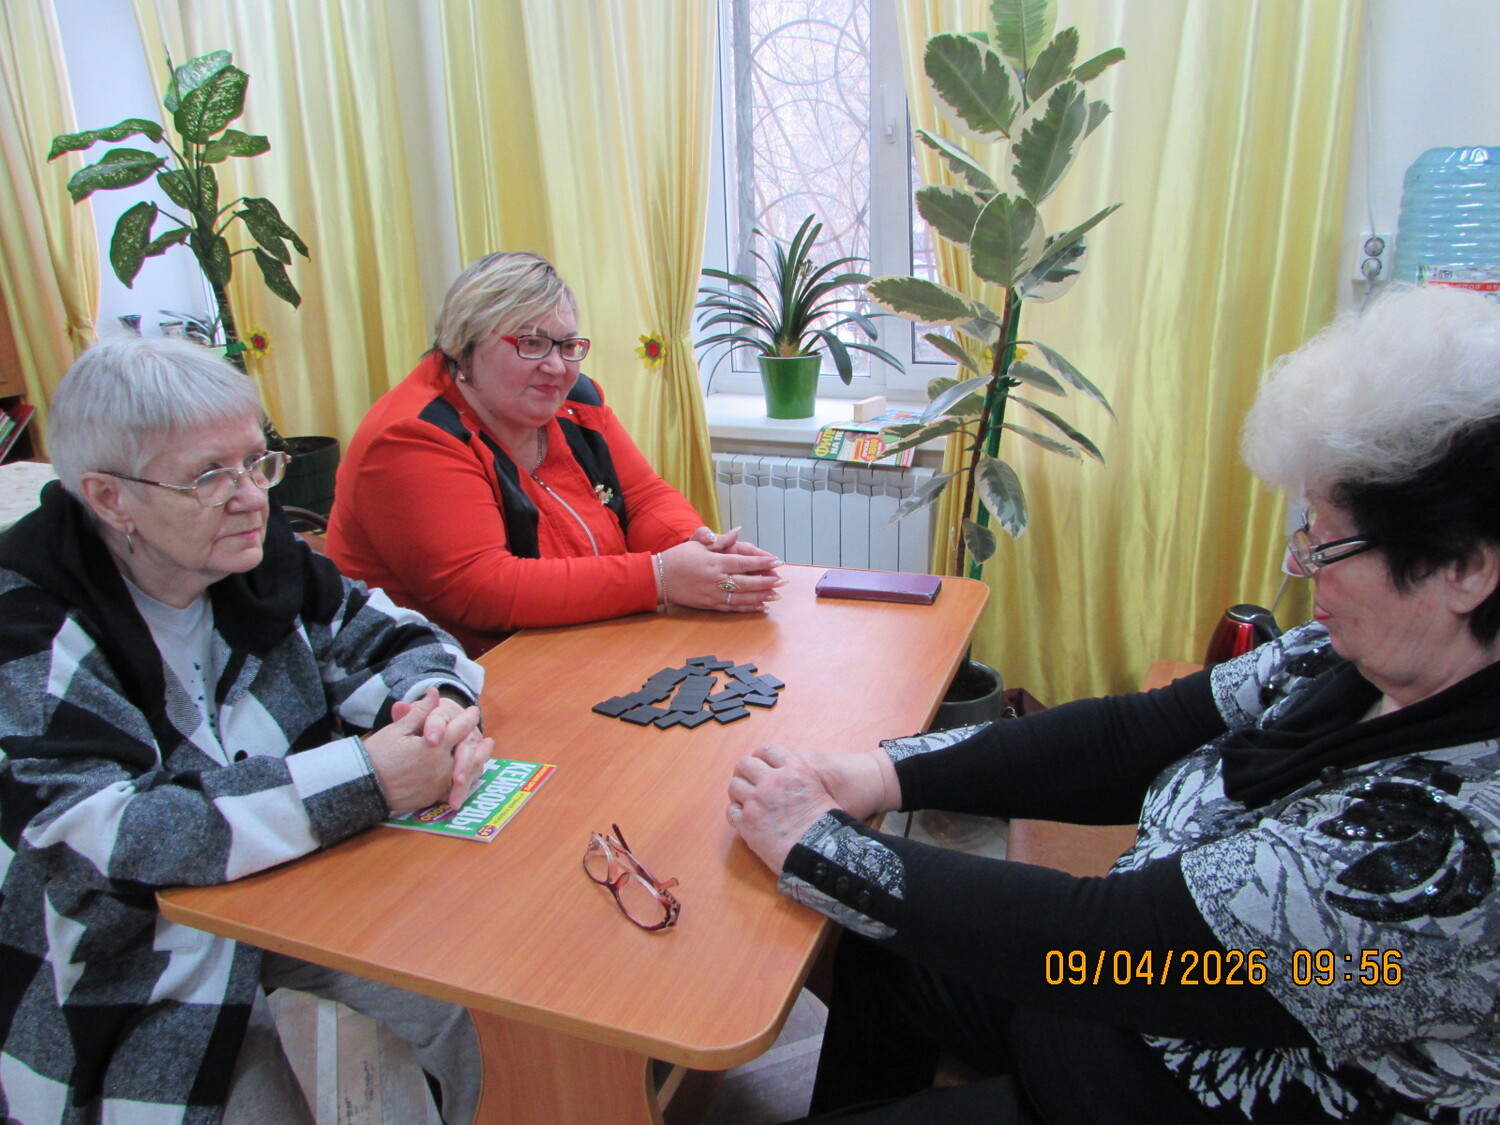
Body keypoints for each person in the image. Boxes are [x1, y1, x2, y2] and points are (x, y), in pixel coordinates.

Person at [725, 284, 1500, 1123]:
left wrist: (818, 845)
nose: (1298, 565)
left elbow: (1115, 947)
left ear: (1463, 567)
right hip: (1110, 1012)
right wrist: (880, 772)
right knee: (885, 958)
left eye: (1328, 543)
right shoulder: (1353, 659)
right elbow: (1136, 734)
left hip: (1157, 1086)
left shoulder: (1449, 849)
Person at [0, 336, 493, 1125]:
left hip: (297, 883)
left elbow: (400, 637)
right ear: (110, 498)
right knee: (249, 1098)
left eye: (256, 462)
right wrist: (366, 778)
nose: (251, 497)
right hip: (130, 953)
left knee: (465, 1000)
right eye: (208, 476)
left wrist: (433, 711)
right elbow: (112, 835)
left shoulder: (254, 553)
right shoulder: (26, 620)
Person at [326, 251, 782, 654]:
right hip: (452, 682)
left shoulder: (578, 401)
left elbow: (643, 498)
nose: (556, 366)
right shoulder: (411, 438)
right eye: (530, 343)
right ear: (463, 346)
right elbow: (484, 589)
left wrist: (695, 547)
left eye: (567, 346)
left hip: (578, 646)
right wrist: (661, 576)